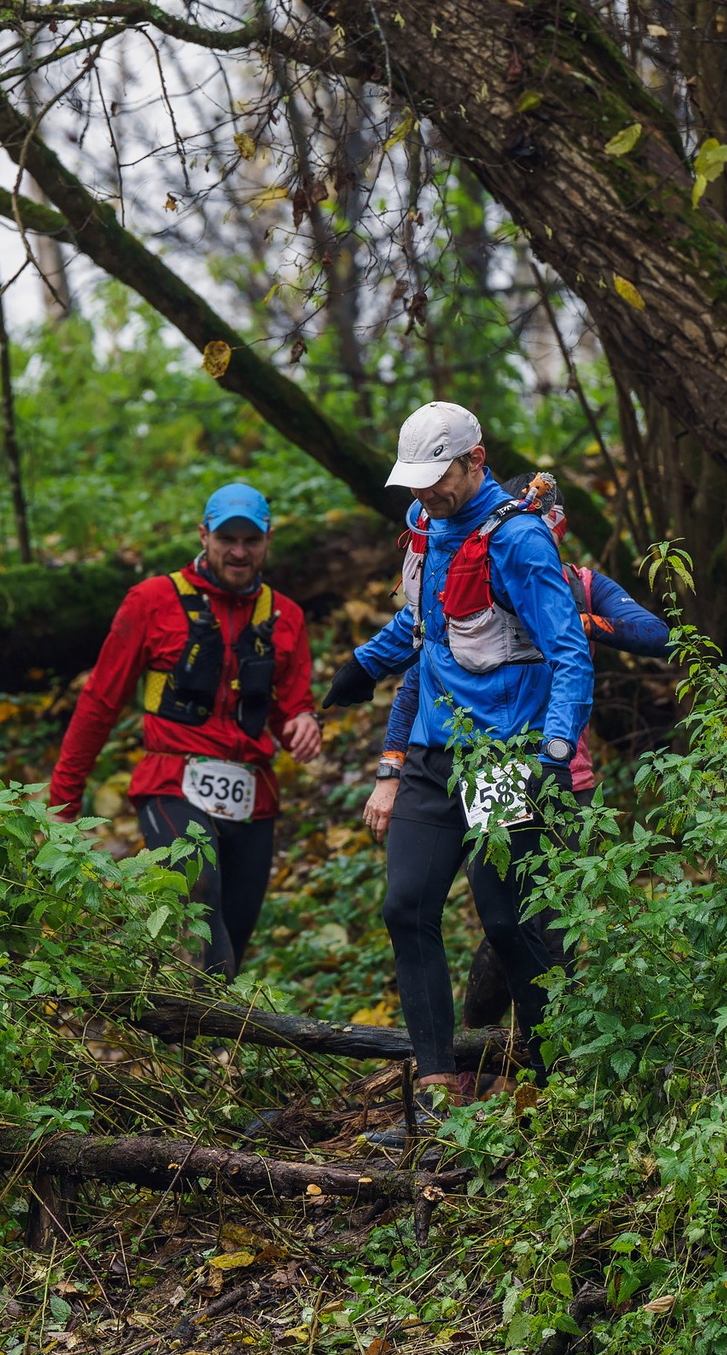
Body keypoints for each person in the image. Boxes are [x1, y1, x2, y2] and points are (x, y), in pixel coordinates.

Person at [321, 404, 594, 1130]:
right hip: (434, 757)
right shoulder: (432, 530)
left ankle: (547, 1086)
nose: (423, 495)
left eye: (434, 479)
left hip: (505, 757)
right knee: (405, 906)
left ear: (475, 460)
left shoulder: (522, 541)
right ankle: (438, 1089)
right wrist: (360, 666)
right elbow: (423, 628)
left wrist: (555, 752)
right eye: (413, 483)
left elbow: (570, 653)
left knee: (510, 922)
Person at [358, 475, 672, 1045]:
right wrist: (390, 766)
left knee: (542, 927)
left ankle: (564, 1069)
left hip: (565, 784)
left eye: (545, 536)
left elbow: (657, 634)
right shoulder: (475, 576)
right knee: (503, 926)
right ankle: (493, 1061)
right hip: (492, 765)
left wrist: (570, 621)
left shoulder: (577, 585)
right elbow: (417, 677)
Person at [48, 482, 322, 976]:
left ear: (267, 540)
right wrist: (63, 803)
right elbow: (100, 702)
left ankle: (205, 1044)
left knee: (231, 939)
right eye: (227, 539)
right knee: (199, 894)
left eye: (251, 540)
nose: (239, 552)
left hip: (253, 795)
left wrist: (304, 722)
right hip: (172, 781)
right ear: (204, 535)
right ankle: (208, 1049)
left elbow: (290, 706)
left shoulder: (287, 616)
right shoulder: (151, 600)